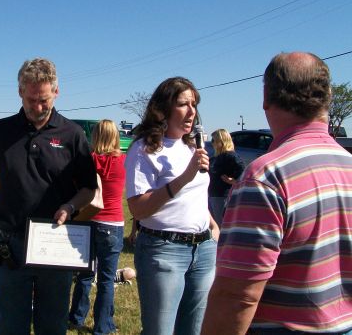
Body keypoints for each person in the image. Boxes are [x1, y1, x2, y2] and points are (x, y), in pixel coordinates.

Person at [202, 52, 352, 335]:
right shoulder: (348, 165)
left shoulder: (266, 177)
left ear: (266, 98)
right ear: (327, 98)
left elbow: (237, 296)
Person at [0, 58, 98, 335]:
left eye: (44, 100)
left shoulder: (72, 134)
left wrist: (70, 205)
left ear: (57, 92)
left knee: (52, 325)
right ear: (20, 92)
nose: (37, 108)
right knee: (11, 325)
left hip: (55, 242)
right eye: (31, 100)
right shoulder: (1, 130)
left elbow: (88, 188)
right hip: (9, 244)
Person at [125, 76, 219, 335]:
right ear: (162, 109)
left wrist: (212, 225)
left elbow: (196, 195)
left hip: (203, 250)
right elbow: (138, 209)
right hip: (163, 251)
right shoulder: (144, 150)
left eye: (194, 104)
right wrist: (183, 178)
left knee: (194, 330)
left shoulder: (192, 147)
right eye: (183, 104)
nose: (192, 112)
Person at [69, 119, 126, 335]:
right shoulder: (123, 161)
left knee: (84, 274)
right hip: (112, 223)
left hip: (88, 219)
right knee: (106, 279)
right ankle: (103, 325)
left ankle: (76, 317)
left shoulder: (89, 160)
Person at [207, 129, 244, 226]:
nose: (212, 143)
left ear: (221, 141)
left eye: (213, 140)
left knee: (220, 225)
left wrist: (234, 181)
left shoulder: (231, 156)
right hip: (212, 195)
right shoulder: (215, 157)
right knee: (213, 225)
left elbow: (244, 173)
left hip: (222, 196)